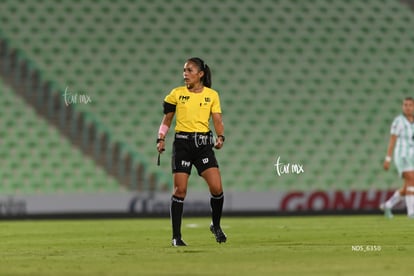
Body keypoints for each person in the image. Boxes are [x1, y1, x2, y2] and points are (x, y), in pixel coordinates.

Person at [156, 57, 227, 246]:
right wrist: (161, 138)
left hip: (203, 146)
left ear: (200, 74)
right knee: (180, 191)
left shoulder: (212, 95)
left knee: (217, 188)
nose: (185, 74)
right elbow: (167, 120)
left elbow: (217, 120)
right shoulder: (176, 94)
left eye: (189, 70)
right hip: (182, 146)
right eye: (184, 70)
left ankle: (216, 225)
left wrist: (220, 137)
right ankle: (176, 237)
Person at [381, 97, 414, 218]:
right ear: (402, 107)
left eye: (410, 105)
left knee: (407, 187)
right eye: (405, 105)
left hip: (412, 155)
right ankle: (411, 213)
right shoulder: (398, 121)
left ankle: (388, 205)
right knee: (412, 179)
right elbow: (392, 140)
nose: (408, 107)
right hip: (402, 155)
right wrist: (388, 158)